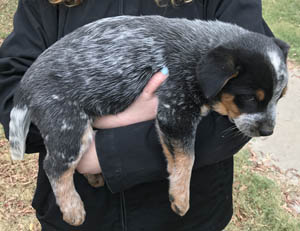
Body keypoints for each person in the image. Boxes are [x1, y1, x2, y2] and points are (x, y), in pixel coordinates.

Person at [0, 0, 273, 230]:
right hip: (81, 218)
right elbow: (14, 96)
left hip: (187, 217)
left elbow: (252, 101)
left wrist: (108, 154)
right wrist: (96, 122)